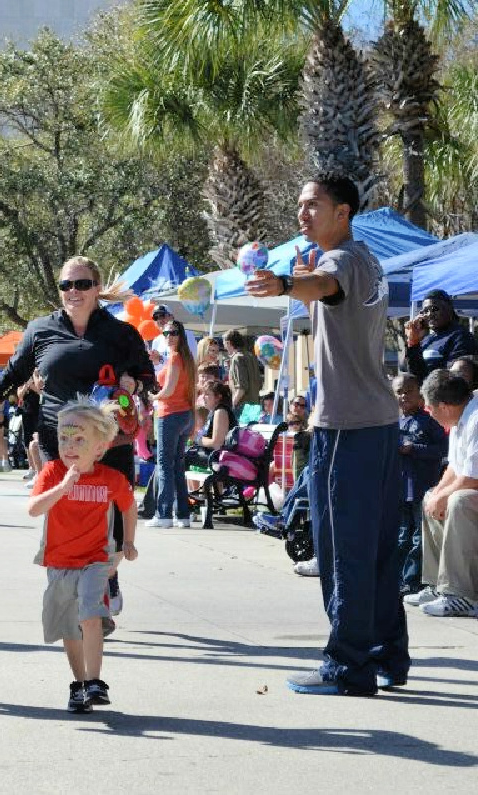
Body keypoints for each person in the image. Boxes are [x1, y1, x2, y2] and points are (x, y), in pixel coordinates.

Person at [247, 173, 406, 696]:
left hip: (348, 430)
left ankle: (347, 668)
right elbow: (327, 293)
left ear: (344, 213)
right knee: (378, 550)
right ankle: (387, 656)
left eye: (313, 205)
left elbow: (325, 286)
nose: (302, 213)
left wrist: (289, 285)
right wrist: (300, 282)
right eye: (299, 205)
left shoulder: (339, 262)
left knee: (343, 552)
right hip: (378, 425)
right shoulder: (368, 261)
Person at [0, 256, 153, 624]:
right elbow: (12, 374)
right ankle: (87, 593)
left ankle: (106, 577)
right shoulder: (41, 331)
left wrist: (130, 385)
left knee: (113, 515)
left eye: (82, 284)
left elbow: (147, 376)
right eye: (66, 285)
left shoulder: (120, 334)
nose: (74, 292)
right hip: (63, 444)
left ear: (97, 288)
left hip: (108, 442)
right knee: (69, 516)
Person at [28, 398, 138, 713]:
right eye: (64, 438)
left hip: (96, 560)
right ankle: (79, 684)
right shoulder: (52, 473)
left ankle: (94, 681)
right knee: (69, 627)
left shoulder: (110, 479)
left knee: (89, 614)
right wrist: (62, 487)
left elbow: (129, 507)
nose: (69, 446)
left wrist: (128, 542)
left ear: (100, 448)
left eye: (79, 440)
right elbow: (34, 510)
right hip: (60, 562)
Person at [404, 370, 478, 617]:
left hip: (474, 487)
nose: (428, 413)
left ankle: (460, 595)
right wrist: (437, 493)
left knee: (457, 501)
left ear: (444, 406)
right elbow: (455, 468)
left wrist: (445, 496)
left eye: (430, 408)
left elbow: (472, 478)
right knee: (431, 497)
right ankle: (439, 585)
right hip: (472, 482)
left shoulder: (476, 418)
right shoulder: (459, 417)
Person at [391, 374, 448, 597]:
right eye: (399, 392)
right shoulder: (393, 423)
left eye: (409, 391)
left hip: (422, 488)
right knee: (401, 536)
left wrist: (414, 449)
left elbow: (442, 452)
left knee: (419, 539)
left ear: (420, 394)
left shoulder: (430, 421)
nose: (404, 396)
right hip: (399, 490)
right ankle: (399, 579)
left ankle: (413, 580)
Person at [149, 320, 196, 528]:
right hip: (184, 414)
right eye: (166, 332)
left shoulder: (176, 358)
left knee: (165, 465)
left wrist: (153, 397)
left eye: (173, 333)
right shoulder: (185, 358)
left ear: (181, 335)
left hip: (170, 414)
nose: (169, 336)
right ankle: (183, 515)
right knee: (177, 466)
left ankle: (164, 514)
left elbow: (168, 390)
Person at [403, 289, 478, 381]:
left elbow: (457, 373)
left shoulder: (461, 336)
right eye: (425, 311)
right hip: (423, 392)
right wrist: (413, 343)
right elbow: (411, 372)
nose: (430, 314)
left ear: (449, 309)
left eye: (434, 309)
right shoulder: (425, 340)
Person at [148, 305, 197, 370]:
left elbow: (190, 360)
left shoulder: (186, 334)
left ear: (172, 317)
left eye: (162, 316)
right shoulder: (157, 340)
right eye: (156, 317)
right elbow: (156, 368)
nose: (159, 320)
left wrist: (161, 359)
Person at [224, 330, 262, 411]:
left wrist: (232, 405)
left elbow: (241, 388)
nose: (224, 348)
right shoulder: (251, 356)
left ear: (228, 343)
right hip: (255, 405)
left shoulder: (237, 358)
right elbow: (259, 383)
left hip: (243, 407)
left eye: (225, 344)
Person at [19, 370, 44, 486]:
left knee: (36, 440)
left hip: (38, 411)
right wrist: (25, 387)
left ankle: (38, 468)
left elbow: (40, 392)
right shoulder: (24, 378)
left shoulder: (39, 377)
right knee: (27, 439)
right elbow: (19, 395)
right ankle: (31, 467)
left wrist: (32, 385)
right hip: (26, 411)